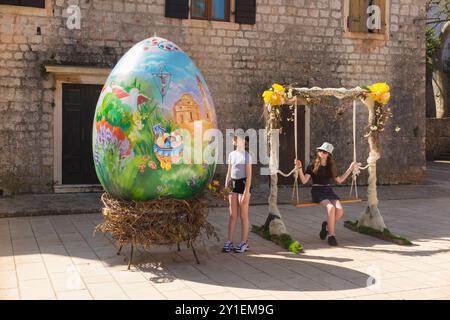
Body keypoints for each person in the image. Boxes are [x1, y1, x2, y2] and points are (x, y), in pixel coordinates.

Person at [295, 142, 357, 246]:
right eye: (320, 150)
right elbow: (304, 180)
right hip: (317, 191)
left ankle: (327, 226)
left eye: (324, 151)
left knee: (340, 210)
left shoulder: (330, 166)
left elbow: (340, 180)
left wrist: (350, 169)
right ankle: (331, 235)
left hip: (328, 191)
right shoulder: (312, 165)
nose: (321, 153)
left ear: (328, 154)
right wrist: (299, 168)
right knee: (331, 208)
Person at [223, 132, 253, 253]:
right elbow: (229, 172)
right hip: (233, 185)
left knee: (243, 215)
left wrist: (246, 193)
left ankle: (244, 242)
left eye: (236, 138)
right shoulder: (231, 154)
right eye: (234, 138)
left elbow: (249, 177)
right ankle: (229, 241)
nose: (234, 139)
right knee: (232, 215)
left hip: (244, 185)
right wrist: (226, 188)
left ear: (243, 141)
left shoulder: (247, 156)